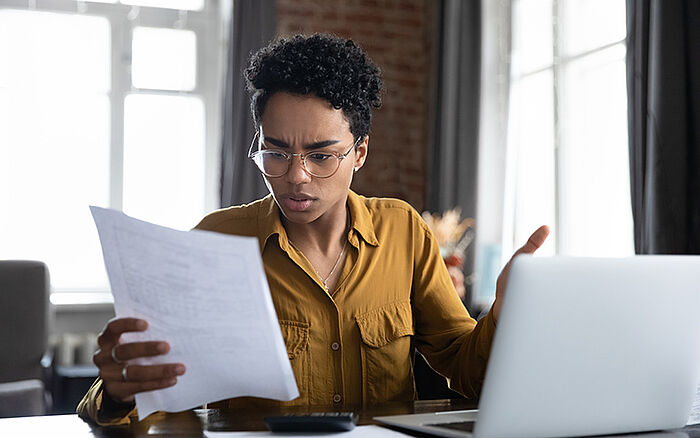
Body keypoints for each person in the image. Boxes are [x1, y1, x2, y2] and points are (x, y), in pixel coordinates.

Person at [77, 34, 549, 425]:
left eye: (321, 156)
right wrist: (117, 393)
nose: (296, 176)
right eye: (276, 152)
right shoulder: (217, 240)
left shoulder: (403, 231)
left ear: (359, 152)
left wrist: (508, 319)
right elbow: (135, 398)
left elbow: (466, 370)